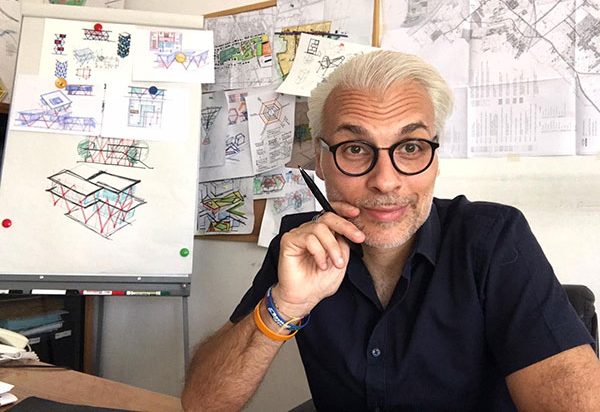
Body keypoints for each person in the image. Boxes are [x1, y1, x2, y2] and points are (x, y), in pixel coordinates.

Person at [182, 51, 600, 411]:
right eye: (355, 149)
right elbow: (203, 403)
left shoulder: (493, 240)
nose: (385, 181)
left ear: (435, 159)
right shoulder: (300, 248)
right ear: (321, 162)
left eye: (411, 147)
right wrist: (284, 306)